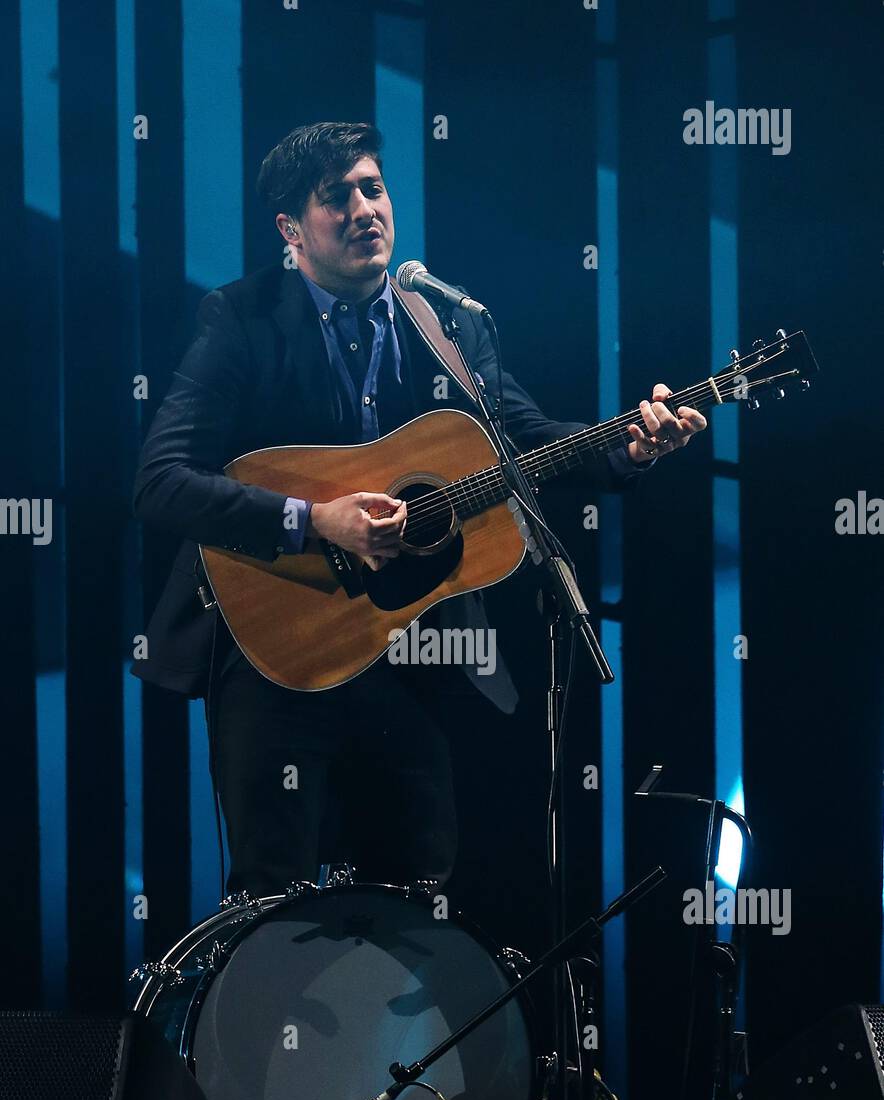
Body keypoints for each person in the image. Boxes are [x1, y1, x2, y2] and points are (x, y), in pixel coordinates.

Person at [132, 121, 706, 898]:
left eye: (374, 188)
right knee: (272, 892)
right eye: (339, 197)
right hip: (278, 642)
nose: (367, 209)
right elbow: (162, 480)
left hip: (405, 649)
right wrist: (316, 521)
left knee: (416, 889)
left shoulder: (446, 322)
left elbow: (525, 443)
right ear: (290, 230)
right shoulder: (239, 318)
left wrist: (630, 447)